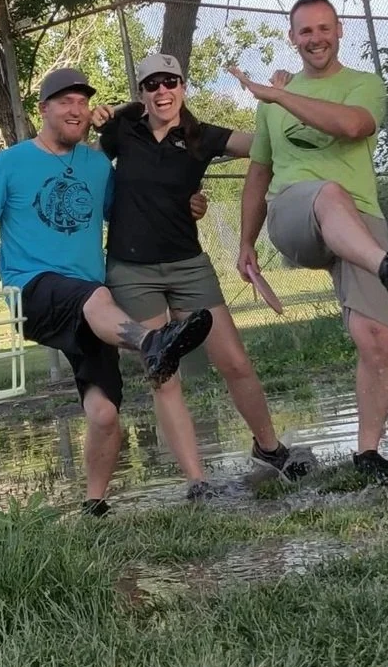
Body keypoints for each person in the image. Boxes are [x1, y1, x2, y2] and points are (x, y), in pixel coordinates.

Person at [0, 68, 216, 515]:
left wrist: (188, 204)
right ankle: (151, 342)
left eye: (82, 102)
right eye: (65, 101)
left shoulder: (98, 166)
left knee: (105, 413)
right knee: (97, 297)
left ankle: (94, 504)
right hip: (33, 290)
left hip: (91, 308)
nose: (75, 109)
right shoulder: (10, 162)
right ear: (43, 109)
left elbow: (135, 209)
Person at [231, 0, 388, 482]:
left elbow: (354, 125)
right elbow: (259, 172)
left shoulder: (364, 85)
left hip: (358, 219)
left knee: (377, 338)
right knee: (327, 192)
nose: (315, 38)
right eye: (305, 31)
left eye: (324, 28)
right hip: (294, 212)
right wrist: (245, 243)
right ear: (292, 38)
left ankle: (368, 455)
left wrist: (279, 96)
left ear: (339, 30)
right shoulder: (273, 101)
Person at [91, 53, 313, 484]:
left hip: (189, 265)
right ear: (141, 92)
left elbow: (263, 146)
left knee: (235, 362)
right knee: (163, 374)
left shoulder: (201, 136)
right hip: (132, 270)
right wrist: (110, 112)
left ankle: (270, 449)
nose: (162, 91)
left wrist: (279, 99)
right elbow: (82, 156)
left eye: (170, 82)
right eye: (152, 84)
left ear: (183, 87)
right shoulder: (122, 131)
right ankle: (198, 482)